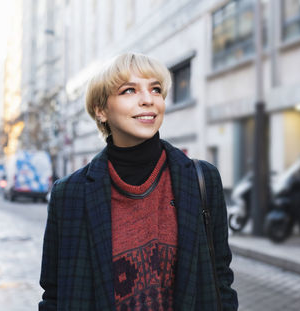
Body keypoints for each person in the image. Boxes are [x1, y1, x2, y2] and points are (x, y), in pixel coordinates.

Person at [39, 52, 238, 310]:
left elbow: (220, 277)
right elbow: (54, 294)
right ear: (101, 111)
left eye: (156, 90)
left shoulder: (202, 179)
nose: (148, 100)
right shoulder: (69, 193)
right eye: (129, 90)